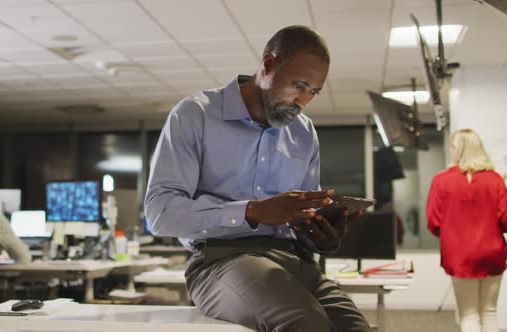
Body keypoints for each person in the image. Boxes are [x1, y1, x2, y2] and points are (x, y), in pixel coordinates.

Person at [145, 25, 371, 332]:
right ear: (267, 65)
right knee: (306, 323)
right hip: (220, 261)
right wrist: (252, 211)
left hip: (295, 260)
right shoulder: (194, 115)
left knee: (355, 327)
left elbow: (302, 217)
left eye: (313, 91)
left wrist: (322, 235)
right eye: (298, 85)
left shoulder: (303, 133)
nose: (303, 101)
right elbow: (160, 214)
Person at [426, 129, 507, 332]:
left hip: (459, 255)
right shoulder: (495, 180)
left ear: (458, 149)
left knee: (469, 316)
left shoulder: (441, 181)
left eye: (453, 147)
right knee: (489, 312)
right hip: (492, 252)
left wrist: (452, 233)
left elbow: (433, 222)